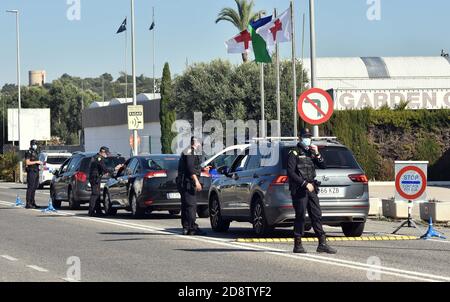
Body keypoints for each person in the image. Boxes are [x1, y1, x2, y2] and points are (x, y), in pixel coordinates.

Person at [287, 128, 337, 254]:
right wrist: (304, 184)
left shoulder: (311, 152)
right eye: (305, 137)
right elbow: (290, 173)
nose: (308, 139)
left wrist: (317, 153)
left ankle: (322, 243)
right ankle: (297, 244)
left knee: (317, 214)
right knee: (300, 216)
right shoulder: (294, 153)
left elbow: (323, 165)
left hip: (312, 188)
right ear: (300, 138)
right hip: (300, 189)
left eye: (309, 137)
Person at [177, 137, 206, 236]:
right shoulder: (190, 152)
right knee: (191, 206)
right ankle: (192, 227)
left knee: (185, 205)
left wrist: (202, 169)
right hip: (188, 183)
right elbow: (190, 169)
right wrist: (196, 181)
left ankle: (186, 228)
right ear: (196, 143)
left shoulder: (188, 151)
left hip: (184, 182)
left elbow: (191, 166)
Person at [88, 147, 121, 217]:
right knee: (95, 195)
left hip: (95, 177)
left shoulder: (96, 157)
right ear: (102, 152)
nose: (107, 155)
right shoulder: (99, 158)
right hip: (95, 178)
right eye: (106, 153)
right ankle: (91, 211)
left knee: (97, 195)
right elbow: (104, 168)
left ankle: (98, 211)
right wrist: (114, 168)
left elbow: (100, 169)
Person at [24, 140, 43, 209]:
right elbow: (27, 163)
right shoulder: (28, 152)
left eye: (36, 144)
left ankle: (33, 202)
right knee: (30, 187)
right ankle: (28, 203)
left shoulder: (36, 152)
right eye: (35, 144)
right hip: (31, 171)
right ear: (32, 144)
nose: (36, 145)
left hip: (36, 170)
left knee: (35, 187)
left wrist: (39, 164)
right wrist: (36, 162)